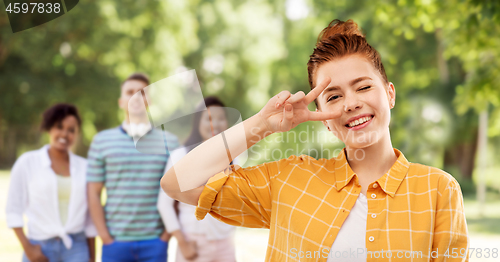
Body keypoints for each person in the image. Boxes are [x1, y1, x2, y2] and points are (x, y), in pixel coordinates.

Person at [162, 20, 469, 262]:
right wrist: (262, 125)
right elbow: (179, 183)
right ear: (321, 115)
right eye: (333, 96)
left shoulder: (438, 190)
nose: (350, 103)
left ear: (389, 93)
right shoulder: (289, 180)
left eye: (363, 87)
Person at [87, 73, 180, 262]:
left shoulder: (170, 142)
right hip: (115, 243)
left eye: (142, 92)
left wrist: (164, 237)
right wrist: (105, 237)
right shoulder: (101, 141)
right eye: (130, 92)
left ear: (149, 100)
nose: (136, 97)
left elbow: (178, 192)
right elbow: (93, 193)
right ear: (121, 101)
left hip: (155, 243)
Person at [6, 103, 97, 262]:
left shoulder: (85, 167)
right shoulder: (28, 162)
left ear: (77, 134)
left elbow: (90, 217)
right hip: (40, 247)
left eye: (71, 130)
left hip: (77, 248)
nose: (64, 133)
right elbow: (13, 210)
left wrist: (92, 256)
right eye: (59, 126)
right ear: (49, 128)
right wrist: (29, 249)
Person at [158, 97, 237, 262]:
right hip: (193, 242)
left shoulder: (232, 158)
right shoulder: (180, 156)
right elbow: (164, 204)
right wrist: (183, 243)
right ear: (197, 122)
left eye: (221, 118)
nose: (215, 123)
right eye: (208, 118)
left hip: (225, 244)